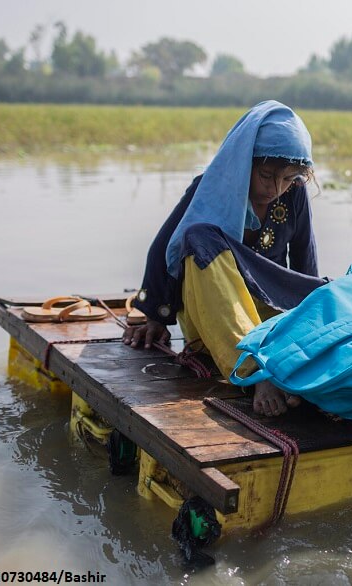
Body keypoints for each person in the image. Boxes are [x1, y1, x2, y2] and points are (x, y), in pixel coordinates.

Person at [124, 100, 326, 417]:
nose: (276, 188)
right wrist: (155, 316)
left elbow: (304, 263)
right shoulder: (210, 188)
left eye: (287, 178)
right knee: (199, 237)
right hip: (214, 319)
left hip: (264, 316)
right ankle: (255, 372)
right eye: (266, 175)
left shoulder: (295, 194)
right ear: (244, 164)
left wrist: (314, 325)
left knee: (335, 292)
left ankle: (283, 365)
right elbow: (165, 247)